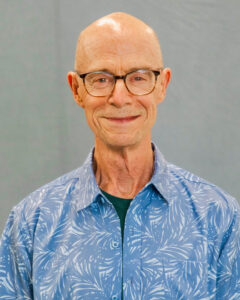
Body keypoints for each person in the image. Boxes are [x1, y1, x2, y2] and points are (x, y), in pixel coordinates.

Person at [0, 12, 239, 300]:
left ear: (162, 84)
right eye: (101, 79)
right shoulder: (30, 224)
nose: (120, 97)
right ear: (76, 89)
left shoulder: (221, 219)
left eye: (138, 77)